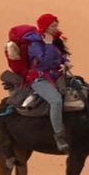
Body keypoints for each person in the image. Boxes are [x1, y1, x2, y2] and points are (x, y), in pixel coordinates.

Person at [24, 13, 72, 153]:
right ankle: (59, 136)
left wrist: (65, 61)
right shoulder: (35, 44)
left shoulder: (52, 39)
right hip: (39, 79)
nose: (56, 29)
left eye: (57, 26)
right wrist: (49, 44)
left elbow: (57, 56)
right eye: (53, 26)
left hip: (55, 75)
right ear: (45, 27)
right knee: (56, 101)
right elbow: (45, 61)